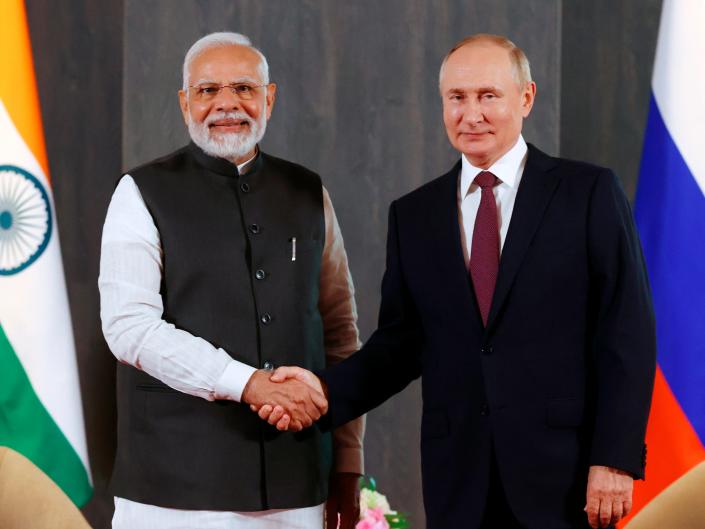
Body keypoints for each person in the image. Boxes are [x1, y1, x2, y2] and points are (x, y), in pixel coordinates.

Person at [256, 34, 656, 529]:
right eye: (457, 98)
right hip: (459, 481)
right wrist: (323, 390)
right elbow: (399, 346)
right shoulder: (414, 215)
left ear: (526, 98)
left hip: (566, 479)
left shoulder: (588, 193)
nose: (472, 115)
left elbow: (627, 333)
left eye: (489, 96)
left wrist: (614, 457)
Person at [99, 32, 364, 529]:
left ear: (270, 98)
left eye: (244, 88)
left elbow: (339, 334)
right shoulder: (139, 192)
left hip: (298, 487)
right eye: (207, 90)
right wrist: (249, 384)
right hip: (173, 492)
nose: (227, 104)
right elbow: (128, 328)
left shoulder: (308, 192)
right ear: (184, 103)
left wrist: (347, 465)